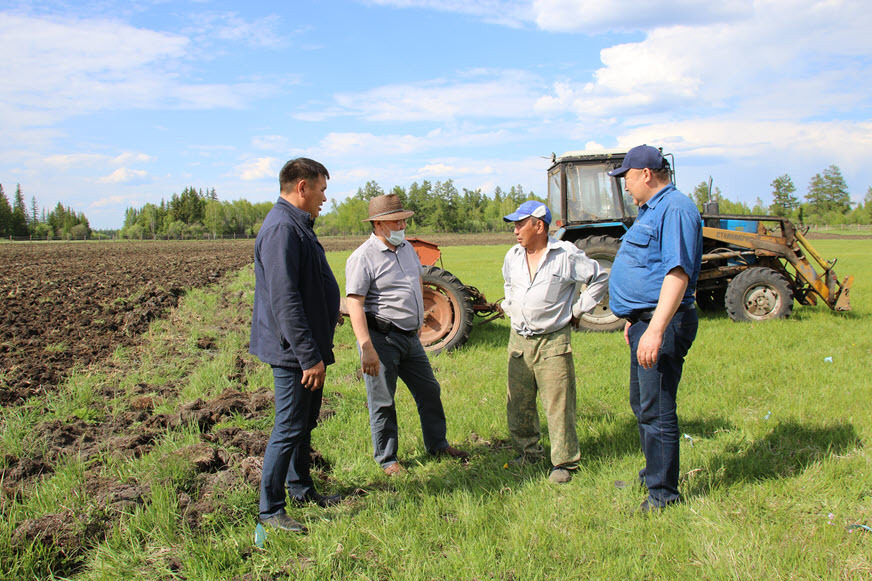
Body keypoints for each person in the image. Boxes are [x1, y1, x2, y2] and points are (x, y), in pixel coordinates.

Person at [607, 145, 703, 512]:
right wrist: (636, 322)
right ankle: (653, 475)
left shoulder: (676, 209)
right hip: (645, 322)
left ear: (646, 174)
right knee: (643, 403)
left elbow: (677, 273)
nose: (626, 187)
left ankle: (663, 495)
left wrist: (656, 328)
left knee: (658, 407)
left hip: (663, 322)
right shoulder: (653, 210)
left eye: (627, 179)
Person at [345, 194, 469, 475]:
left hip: (411, 338)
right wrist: (366, 346)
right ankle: (388, 460)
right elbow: (355, 303)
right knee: (383, 401)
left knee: (429, 390)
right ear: (378, 223)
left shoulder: (406, 250)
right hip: (381, 339)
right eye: (396, 221)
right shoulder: (363, 257)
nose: (403, 225)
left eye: (403, 219)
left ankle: (437, 445)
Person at [250, 158, 341, 534]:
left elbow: (305, 286)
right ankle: (270, 511)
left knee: (302, 424)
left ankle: (301, 490)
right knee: (288, 427)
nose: (324, 198)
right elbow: (284, 299)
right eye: (321, 189)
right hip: (294, 355)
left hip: (306, 351)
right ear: (302, 187)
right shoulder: (282, 229)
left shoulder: (297, 224)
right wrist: (309, 357)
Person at [501, 201, 609, 483]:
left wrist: (577, 309)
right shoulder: (513, 255)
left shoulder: (565, 255)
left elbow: (599, 278)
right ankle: (528, 453)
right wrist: (511, 305)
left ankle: (564, 463)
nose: (515, 231)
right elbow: (508, 284)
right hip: (518, 340)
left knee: (558, 405)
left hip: (553, 341)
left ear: (539, 225)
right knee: (519, 404)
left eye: (519, 224)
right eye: (514, 225)